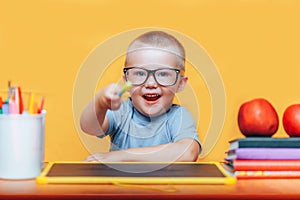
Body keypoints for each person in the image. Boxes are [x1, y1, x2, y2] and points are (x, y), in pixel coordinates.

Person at [80, 31, 201, 162]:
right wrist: (100, 103)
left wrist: (119, 156)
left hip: (166, 184)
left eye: (163, 74)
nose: (150, 83)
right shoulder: (122, 111)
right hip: (119, 183)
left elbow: (188, 153)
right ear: (127, 80)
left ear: (180, 84)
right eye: (139, 73)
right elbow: (89, 128)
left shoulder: (179, 116)